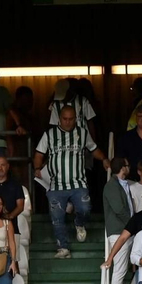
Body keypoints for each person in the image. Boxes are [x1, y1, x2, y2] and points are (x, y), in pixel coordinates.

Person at [35, 104, 105, 259]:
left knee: (85, 208)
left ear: (76, 119)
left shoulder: (82, 133)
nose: (67, 122)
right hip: (56, 185)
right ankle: (63, 248)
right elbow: (39, 153)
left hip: (78, 183)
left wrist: (105, 159)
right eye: (64, 119)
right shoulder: (50, 134)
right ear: (59, 118)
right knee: (57, 217)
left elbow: (94, 149)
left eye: (71, 119)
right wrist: (37, 167)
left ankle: (79, 223)